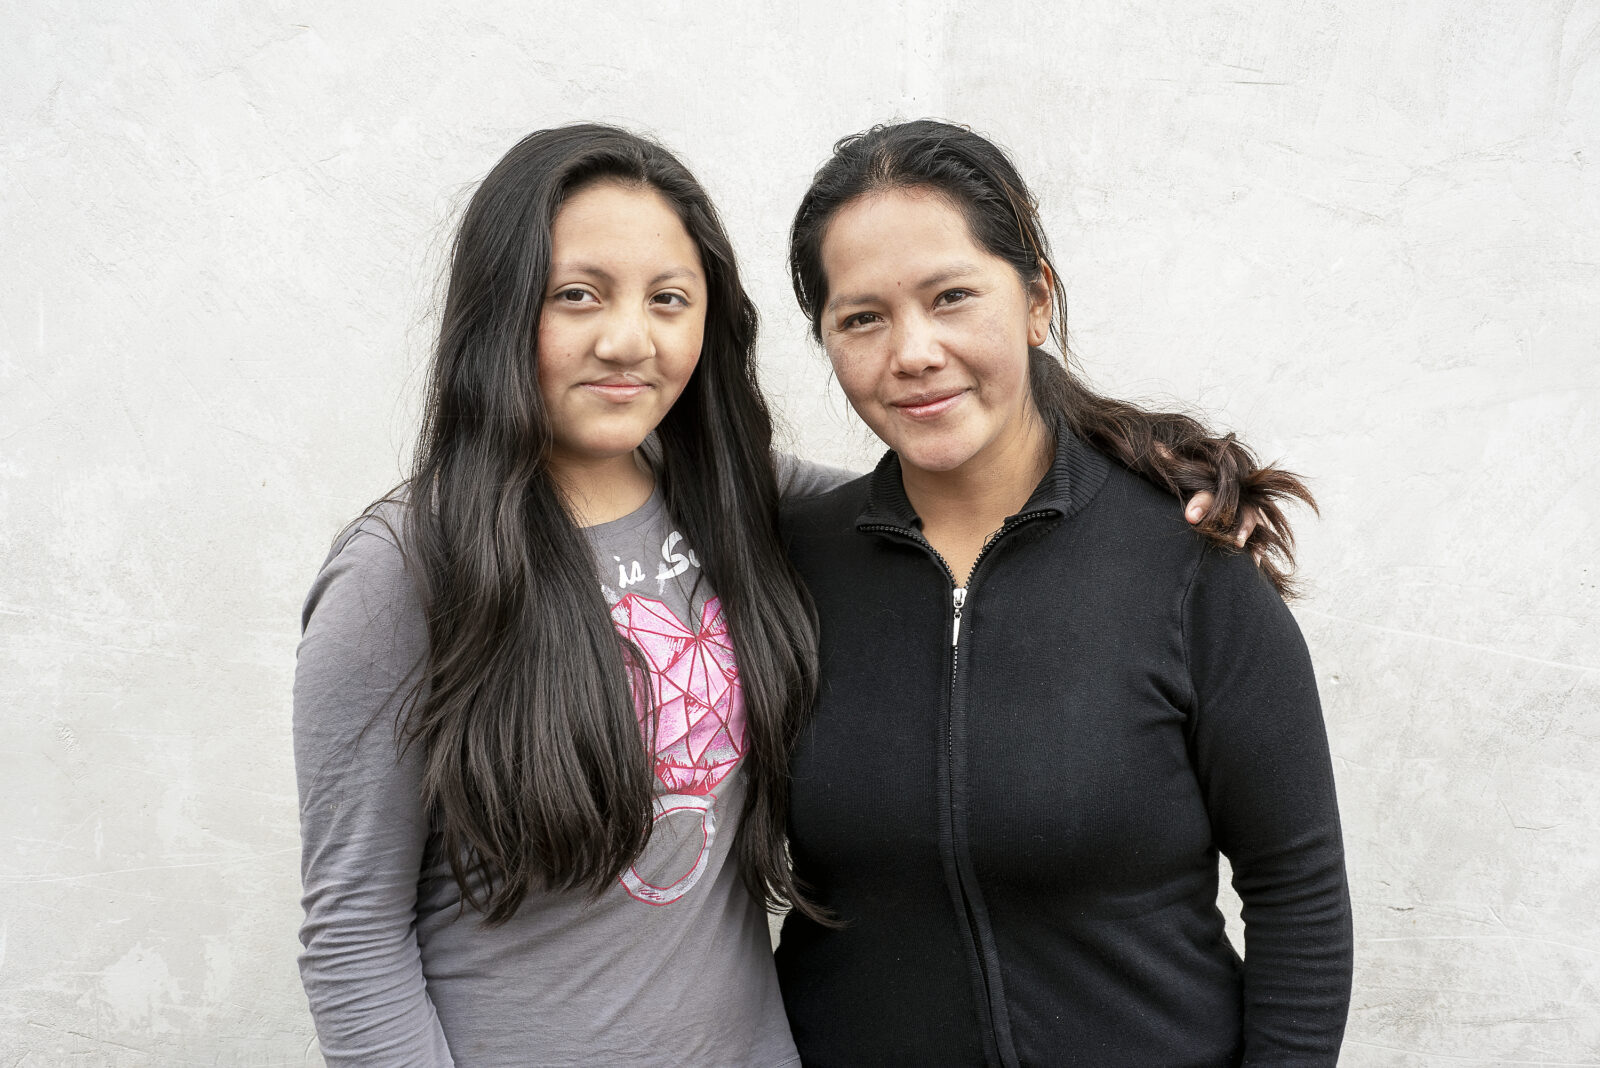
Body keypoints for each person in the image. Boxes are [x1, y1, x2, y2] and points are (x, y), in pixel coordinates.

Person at [293, 123, 1285, 1066]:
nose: (629, 340)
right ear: (500, 309)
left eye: (668, 299)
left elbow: (956, 494)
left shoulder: (735, 503)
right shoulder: (403, 570)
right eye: (578, 296)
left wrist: (1154, 471)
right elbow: (352, 933)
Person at [774, 121, 1353, 1066]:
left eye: (952, 297)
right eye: (862, 318)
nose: (913, 351)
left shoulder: (1189, 562)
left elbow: (1299, 891)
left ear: (1037, 299)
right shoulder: (791, 567)